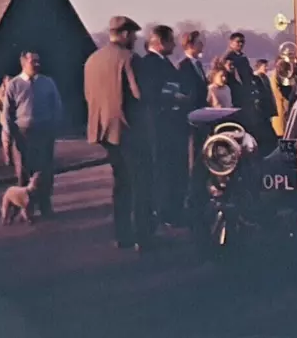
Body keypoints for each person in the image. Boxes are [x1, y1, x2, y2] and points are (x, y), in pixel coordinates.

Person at [84, 15, 151, 250]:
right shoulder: (130, 58)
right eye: (133, 35)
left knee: (121, 183)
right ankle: (143, 237)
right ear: (124, 34)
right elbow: (139, 94)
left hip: (103, 130)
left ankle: (122, 235)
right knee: (140, 183)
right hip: (129, 128)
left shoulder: (92, 60)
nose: (134, 39)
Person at [138, 24, 186, 228]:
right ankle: (166, 211)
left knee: (175, 168)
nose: (174, 44)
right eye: (171, 40)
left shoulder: (164, 63)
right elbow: (150, 93)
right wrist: (174, 97)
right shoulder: (148, 64)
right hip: (159, 125)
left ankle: (173, 209)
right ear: (160, 42)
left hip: (171, 124)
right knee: (164, 169)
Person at [3, 52, 62, 218]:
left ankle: (45, 206)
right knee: (23, 172)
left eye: (38, 61)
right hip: (23, 134)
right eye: (33, 61)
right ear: (23, 63)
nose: (37, 64)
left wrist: (53, 127)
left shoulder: (47, 82)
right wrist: (11, 135)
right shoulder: (13, 85)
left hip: (44, 133)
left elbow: (57, 106)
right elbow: (7, 113)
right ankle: (24, 209)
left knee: (45, 171)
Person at [176, 31, 209, 225]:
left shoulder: (198, 65)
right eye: (199, 43)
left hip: (201, 117)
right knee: (192, 157)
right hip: (192, 118)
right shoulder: (184, 67)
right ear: (190, 45)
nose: (202, 45)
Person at [0, 76, 12, 166]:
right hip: (5, 119)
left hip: (16, 119)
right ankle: (8, 159)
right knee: (6, 141)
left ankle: (15, 158)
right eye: (9, 81)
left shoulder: (14, 89)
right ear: (4, 82)